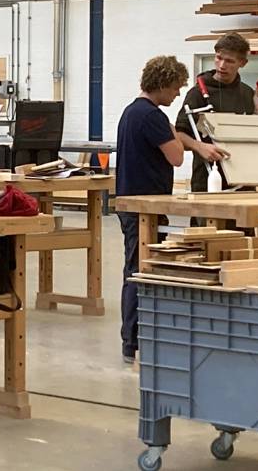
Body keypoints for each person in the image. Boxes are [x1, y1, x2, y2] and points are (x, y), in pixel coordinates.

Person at [115, 56, 189, 364]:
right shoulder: (153, 116)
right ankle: (132, 341)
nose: (175, 96)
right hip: (144, 206)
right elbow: (177, 158)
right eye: (174, 89)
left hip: (132, 202)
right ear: (160, 85)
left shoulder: (132, 111)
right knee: (140, 271)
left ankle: (134, 339)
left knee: (135, 267)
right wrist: (179, 138)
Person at [174, 32, 258, 194]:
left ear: (243, 63)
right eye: (219, 58)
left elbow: (254, 140)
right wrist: (199, 147)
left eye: (229, 61)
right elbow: (179, 135)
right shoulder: (197, 93)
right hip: (207, 182)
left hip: (243, 182)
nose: (222, 65)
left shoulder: (248, 94)